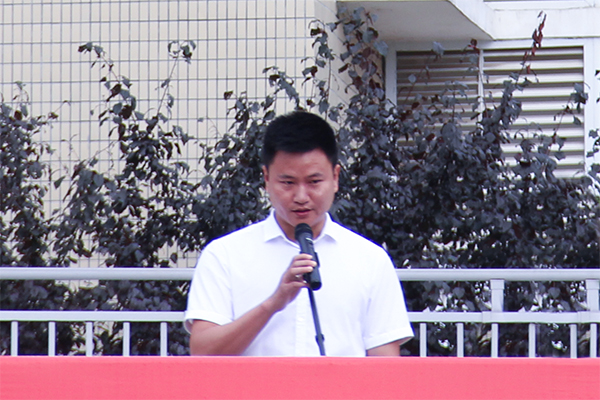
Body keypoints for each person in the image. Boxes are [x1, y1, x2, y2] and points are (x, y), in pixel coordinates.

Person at [184, 111, 413, 356]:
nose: (301, 197)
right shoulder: (224, 255)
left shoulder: (370, 260)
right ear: (266, 179)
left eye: (314, 182)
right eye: (288, 183)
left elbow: (386, 364)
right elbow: (203, 352)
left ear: (335, 178)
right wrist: (273, 304)